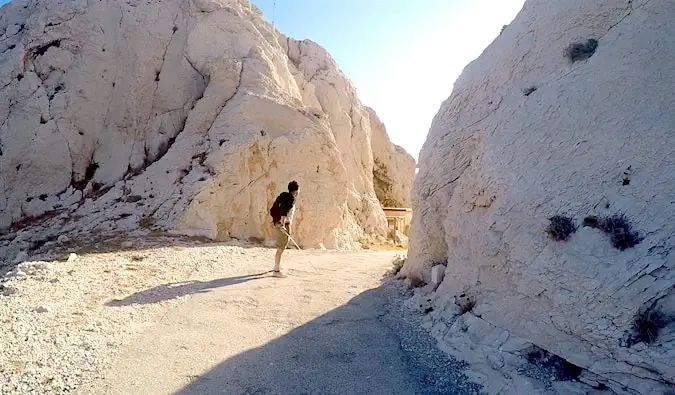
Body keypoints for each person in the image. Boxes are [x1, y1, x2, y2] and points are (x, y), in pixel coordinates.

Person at [269, 180, 299, 277]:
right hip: (283, 225)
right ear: (295, 191)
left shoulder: (283, 196)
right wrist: (282, 224)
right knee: (281, 248)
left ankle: (276, 266)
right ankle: (276, 271)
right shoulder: (290, 200)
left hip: (280, 224)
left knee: (281, 247)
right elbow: (284, 212)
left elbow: (274, 210)